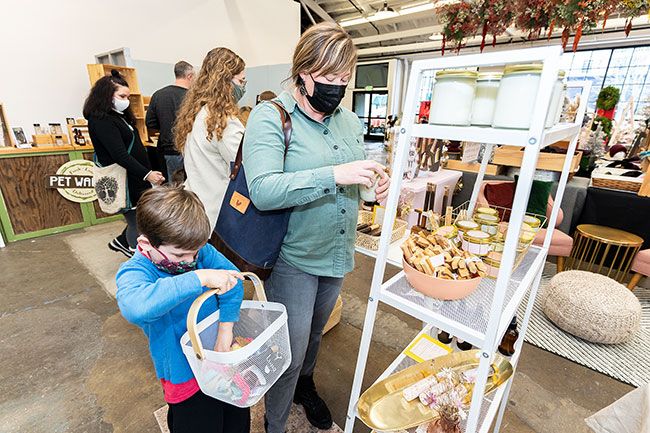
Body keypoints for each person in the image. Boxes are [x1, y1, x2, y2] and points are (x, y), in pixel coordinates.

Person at [243, 22, 389, 433]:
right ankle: (275, 422)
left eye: (344, 79)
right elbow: (264, 190)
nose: (337, 87)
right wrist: (335, 174)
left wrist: (375, 181)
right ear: (302, 72)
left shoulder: (348, 121)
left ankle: (306, 387)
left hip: (337, 251)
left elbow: (356, 175)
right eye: (328, 78)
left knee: (314, 337)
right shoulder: (270, 117)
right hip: (293, 256)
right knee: (285, 350)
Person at [116, 185, 249, 433]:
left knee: (236, 420)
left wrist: (225, 333)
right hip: (184, 374)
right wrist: (199, 278)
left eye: (195, 252)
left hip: (219, 359)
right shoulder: (137, 271)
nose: (190, 261)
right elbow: (135, 308)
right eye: (180, 255)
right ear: (147, 244)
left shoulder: (200, 253)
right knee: (196, 422)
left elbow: (234, 282)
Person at [84, 70, 165, 257]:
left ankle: (121, 242)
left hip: (134, 177)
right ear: (106, 95)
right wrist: (147, 174)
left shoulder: (118, 115)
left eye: (127, 96)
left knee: (140, 219)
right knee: (137, 223)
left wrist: (147, 172)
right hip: (125, 179)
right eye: (122, 96)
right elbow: (119, 154)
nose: (126, 100)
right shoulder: (100, 119)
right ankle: (134, 256)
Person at [175, 47, 247, 230]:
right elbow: (245, 165)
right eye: (241, 80)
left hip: (197, 208)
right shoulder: (223, 121)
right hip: (219, 213)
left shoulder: (196, 113)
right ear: (225, 82)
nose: (243, 86)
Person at [146, 60, 194, 181]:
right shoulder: (193, 97)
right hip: (190, 149)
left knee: (173, 190)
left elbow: (150, 123)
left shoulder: (158, 95)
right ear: (189, 76)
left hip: (167, 150)